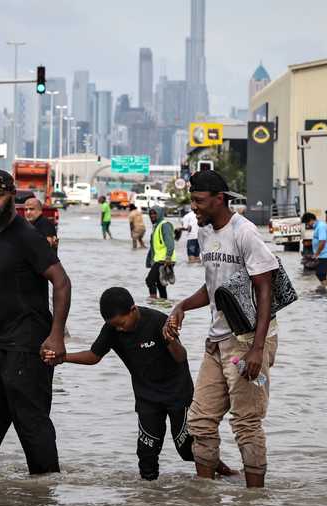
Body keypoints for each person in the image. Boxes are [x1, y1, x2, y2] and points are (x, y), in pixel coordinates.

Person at [164, 170, 279, 489]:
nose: (195, 208)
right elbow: (215, 287)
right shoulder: (203, 233)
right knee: (200, 420)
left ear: (219, 199)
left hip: (246, 343)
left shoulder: (245, 232)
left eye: (199, 201)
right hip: (216, 344)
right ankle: (205, 499)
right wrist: (182, 306)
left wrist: (257, 349)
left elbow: (264, 288)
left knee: (246, 422)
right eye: (192, 201)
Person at [48, 288, 233, 479]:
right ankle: (148, 499)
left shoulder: (157, 321)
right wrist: (63, 358)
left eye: (121, 323)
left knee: (186, 448)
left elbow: (181, 357)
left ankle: (225, 473)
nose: (119, 328)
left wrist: (171, 341)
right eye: (115, 325)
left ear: (133, 309)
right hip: (147, 397)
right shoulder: (112, 329)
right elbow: (94, 356)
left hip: (178, 393)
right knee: (146, 453)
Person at [0, 170, 71, 475]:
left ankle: (45, 493)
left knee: (31, 421)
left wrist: (56, 336)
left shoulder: (27, 237)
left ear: (13, 197)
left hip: (29, 343)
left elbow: (61, 282)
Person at [145, 206, 177, 300]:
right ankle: (163, 304)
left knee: (150, 280)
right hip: (159, 259)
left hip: (164, 259)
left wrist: (168, 257)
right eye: (150, 214)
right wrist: (149, 261)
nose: (152, 216)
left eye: (155, 213)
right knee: (160, 284)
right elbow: (153, 247)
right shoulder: (156, 227)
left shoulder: (164, 225)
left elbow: (170, 242)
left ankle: (153, 301)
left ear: (160, 214)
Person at [303, 212, 327, 290]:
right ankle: (326, 290)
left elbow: (322, 241)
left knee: (320, 274)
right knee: (320, 274)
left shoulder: (321, 226)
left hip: (324, 254)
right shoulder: (319, 226)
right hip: (322, 254)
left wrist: (316, 254)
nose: (307, 225)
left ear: (311, 220)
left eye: (307, 223)